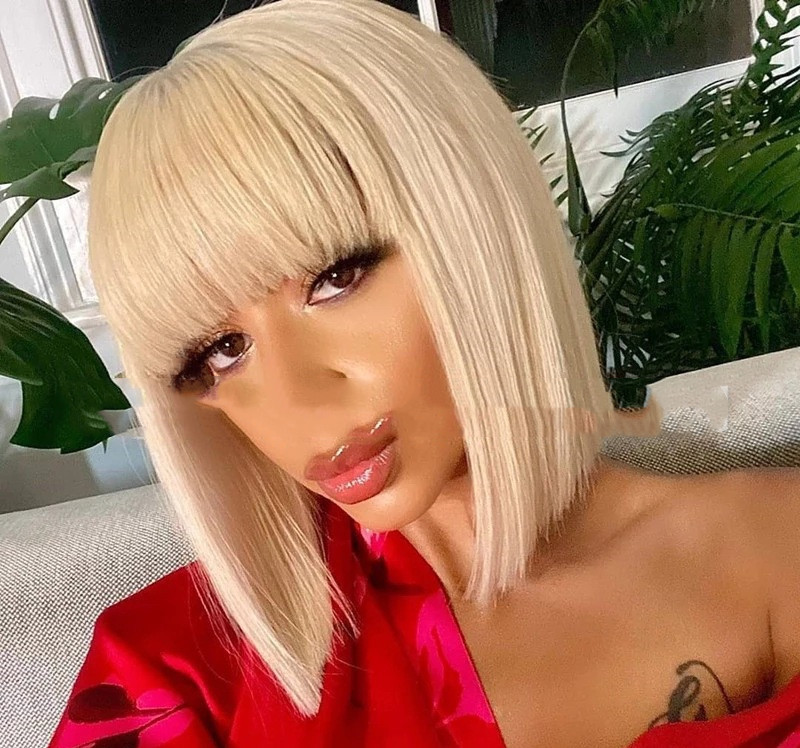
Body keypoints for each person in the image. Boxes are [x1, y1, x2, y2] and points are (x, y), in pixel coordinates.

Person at [45, 0, 800, 746]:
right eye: (220, 352)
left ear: (476, 222)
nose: (298, 403)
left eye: (335, 278)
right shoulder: (169, 675)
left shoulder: (769, 544)